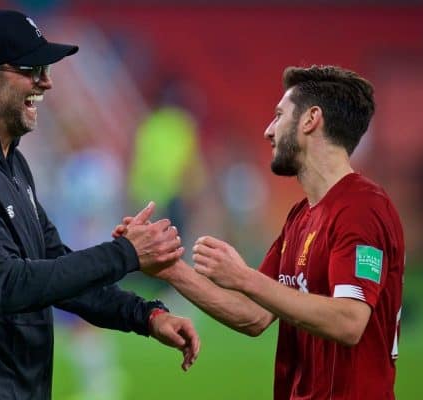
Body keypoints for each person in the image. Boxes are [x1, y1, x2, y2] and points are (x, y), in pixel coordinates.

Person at [0, 9, 199, 400]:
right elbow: (9, 285)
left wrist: (146, 316)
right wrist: (126, 253)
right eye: (32, 69)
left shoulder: (9, 162)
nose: (47, 82)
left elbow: (55, 267)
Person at [115, 65, 404, 399]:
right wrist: (168, 268)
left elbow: (349, 322)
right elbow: (253, 316)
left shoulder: (361, 209)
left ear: (311, 120)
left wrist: (243, 277)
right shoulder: (301, 216)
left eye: (279, 115)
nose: (269, 130)